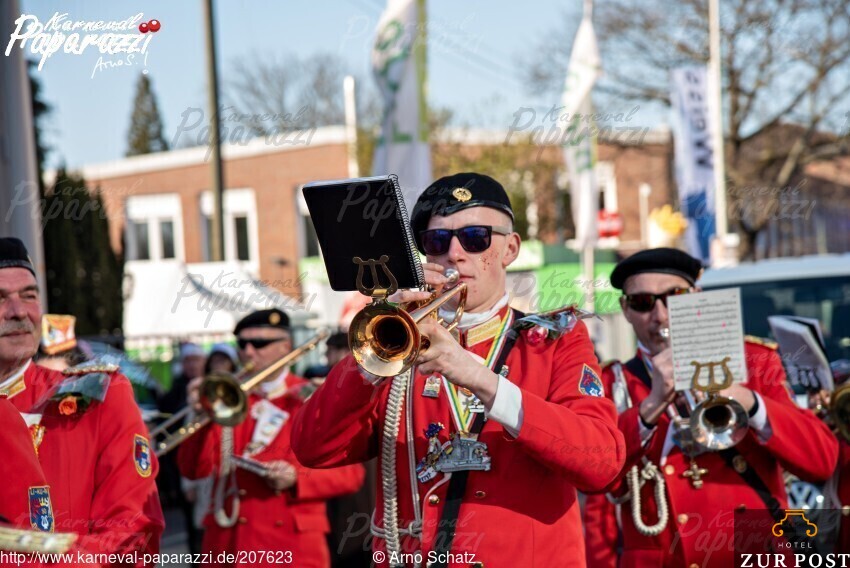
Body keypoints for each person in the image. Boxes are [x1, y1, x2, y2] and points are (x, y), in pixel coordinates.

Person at [291, 172, 626, 566]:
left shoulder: (554, 339)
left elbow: (601, 463)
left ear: (510, 249)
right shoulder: (398, 348)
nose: (454, 253)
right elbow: (312, 448)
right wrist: (373, 359)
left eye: (475, 238)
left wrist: (480, 378)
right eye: (437, 241)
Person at [588, 247, 839, 567]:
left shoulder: (754, 361)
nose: (661, 315)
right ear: (625, 309)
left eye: (674, 296)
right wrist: (651, 405)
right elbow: (595, 485)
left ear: (696, 296)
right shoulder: (612, 381)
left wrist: (748, 401)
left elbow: (821, 461)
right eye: (642, 302)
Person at [0, 237, 164, 564]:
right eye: (0, 298)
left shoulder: (99, 395)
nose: (19, 312)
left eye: (29, 295)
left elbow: (132, 536)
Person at [177, 309, 365, 568]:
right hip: (229, 545)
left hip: (291, 547)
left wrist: (296, 478)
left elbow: (350, 475)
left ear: (285, 346)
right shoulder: (226, 397)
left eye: (259, 343)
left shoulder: (312, 394)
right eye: (243, 343)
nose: (248, 351)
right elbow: (193, 469)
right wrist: (201, 416)